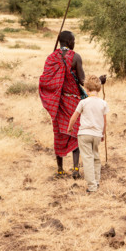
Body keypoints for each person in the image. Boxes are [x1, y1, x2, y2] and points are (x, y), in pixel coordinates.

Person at [39, 31, 86, 178]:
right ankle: (76, 169)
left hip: (58, 102)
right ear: (70, 42)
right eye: (73, 40)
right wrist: (98, 81)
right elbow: (82, 80)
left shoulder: (51, 58)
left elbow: (46, 80)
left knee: (59, 133)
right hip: (73, 101)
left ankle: (60, 169)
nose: (74, 42)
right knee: (75, 133)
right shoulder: (75, 57)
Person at [67, 76, 108, 193]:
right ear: (99, 89)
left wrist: (70, 128)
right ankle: (97, 181)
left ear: (86, 89)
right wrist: (103, 134)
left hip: (84, 134)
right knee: (96, 157)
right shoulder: (103, 103)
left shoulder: (83, 102)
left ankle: (92, 186)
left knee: (87, 159)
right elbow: (104, 121)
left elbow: (74, 117)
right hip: (96, 134)